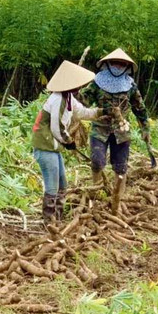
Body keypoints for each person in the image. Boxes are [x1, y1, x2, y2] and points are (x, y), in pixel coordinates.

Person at [32, 61, 102, 222]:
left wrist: (101, 112)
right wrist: (68, 141)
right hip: (45, 146)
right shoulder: (58, 99)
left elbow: (82, 112)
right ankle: (50, 222)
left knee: (63, 184)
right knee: (52, 186)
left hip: (53, 147)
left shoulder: (69, 97)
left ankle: (58, 218)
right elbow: (56, 127)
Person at [80, 48, 150, 205]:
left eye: (122, 64)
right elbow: (83, 101)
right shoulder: (97, 83)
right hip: (99, 128)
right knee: (97, 161)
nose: (118, 66)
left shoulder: (130, 86)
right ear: (108, 64)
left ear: (127, 66)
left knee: (120, 167)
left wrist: (145, 128)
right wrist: (70, 96)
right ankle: (96, 195)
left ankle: (119, 198)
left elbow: (139, 108)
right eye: (115, 63)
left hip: (121, 130)